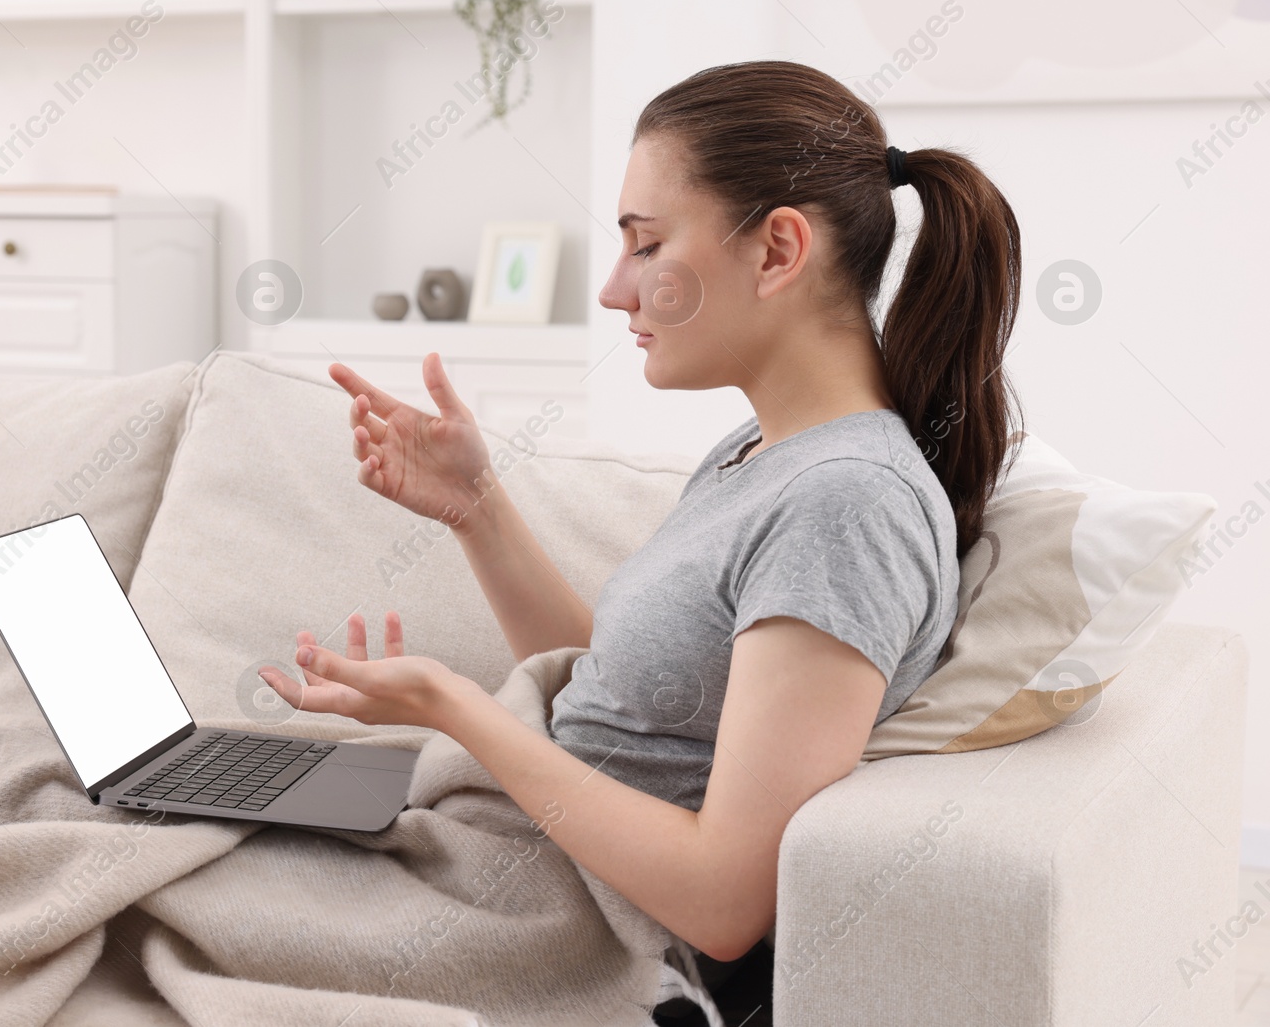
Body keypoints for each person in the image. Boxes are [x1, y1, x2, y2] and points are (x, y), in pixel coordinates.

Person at [257, 60, 1021, 981]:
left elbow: (725, 902)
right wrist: (476, 510)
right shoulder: (765, 451)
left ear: (778, 251)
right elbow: (632, 703)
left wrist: (452, 706)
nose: (617, 288)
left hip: (561, 929)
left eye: (647, 245)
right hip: (507, 858)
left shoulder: (848, 503)